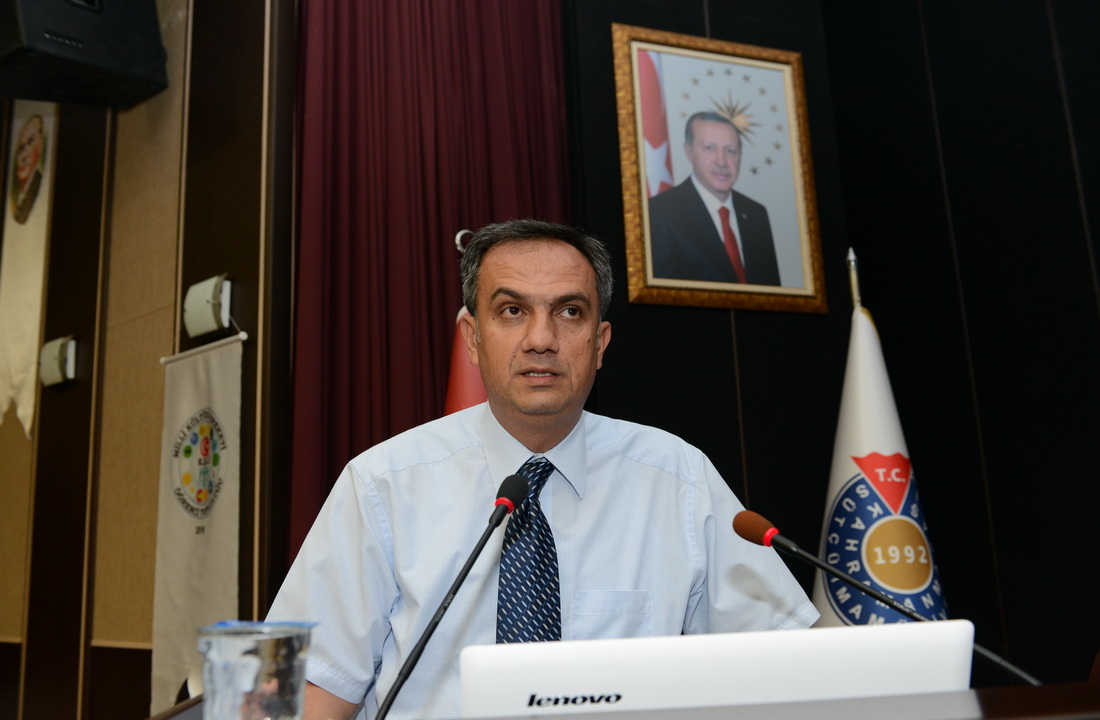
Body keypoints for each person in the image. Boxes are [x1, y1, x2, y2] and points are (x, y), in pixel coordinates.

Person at [266, 219, 817, 720]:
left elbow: (785, 669)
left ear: (599, 343)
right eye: (512, 311)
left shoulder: (677, 480)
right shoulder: (383, 484)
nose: (541, 340)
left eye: (569, 312)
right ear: (472, 337)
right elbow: (310, 693)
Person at [648, 111, 781, 285]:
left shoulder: (756, 213)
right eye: (709, 148)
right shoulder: (660, 212)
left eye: (730, 151)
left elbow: (771, 291)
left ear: (740, 155)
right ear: (689, 151)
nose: (722, 161)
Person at [9, 114, 46, 225]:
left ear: (40, 145)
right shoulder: (16, 195)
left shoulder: (39, 184)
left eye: (30, 142)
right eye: (21, 148)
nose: (24, 155)